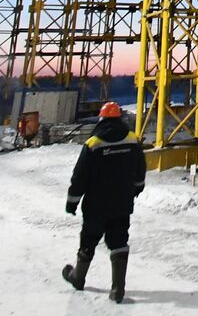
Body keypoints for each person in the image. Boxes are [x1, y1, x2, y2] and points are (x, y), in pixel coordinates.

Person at [62, 102, 145, 303]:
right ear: (119, 119)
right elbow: (140, 169)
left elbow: (79, 176)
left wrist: (72, 201)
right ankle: (118, 289)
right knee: (119, 241)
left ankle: (78, 278)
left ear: (102, 119)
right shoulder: (133, 140)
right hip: (121, 202)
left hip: (96, 204)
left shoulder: (94, 143)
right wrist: (136, 188)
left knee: (89, 239)